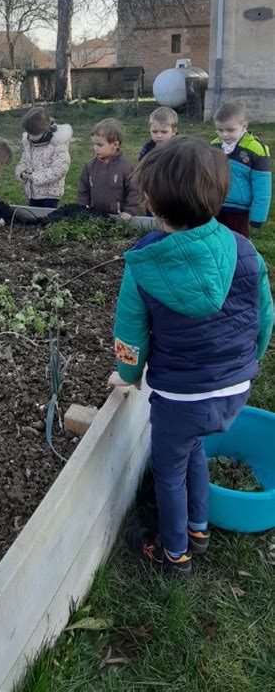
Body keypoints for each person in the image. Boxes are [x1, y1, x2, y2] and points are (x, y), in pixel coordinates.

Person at [110, 138, 273, 577]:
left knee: (168, 470)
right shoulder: (246, 250)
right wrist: (245, 363)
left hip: (180, 398)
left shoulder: (144, 259)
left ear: (154, 203)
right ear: (219, 193)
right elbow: (265, 319)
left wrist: (127, 374)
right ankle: (199, 528)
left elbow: (129, 332)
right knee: (194, 448)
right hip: (235, 389)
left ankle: (173, 551)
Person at [211, 101, 271, 237]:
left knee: (238, 243)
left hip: (240, 210)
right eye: (220, 130)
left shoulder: (256, 150)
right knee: (216, 240)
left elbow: (263, 187)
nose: (224, 134)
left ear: (244, 126)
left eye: (230, 130)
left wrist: (258, 216)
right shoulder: (213, 147)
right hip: (215, 206)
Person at [77, 118, 138, 218]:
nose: (95, 148)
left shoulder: (126, 167)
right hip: (95, 217)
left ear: (115, 145)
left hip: (120, 219)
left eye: (100, 145)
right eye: (94, 144)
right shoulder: (90, 166)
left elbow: (134, 190)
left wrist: (129, 210)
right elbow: (83, 190)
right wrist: (84, 208)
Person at [15, 107, 72, 208]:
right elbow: (24, 160)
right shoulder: (28, 142)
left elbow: (59, 169)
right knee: (33, 217)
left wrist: (35, 177)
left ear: (45, 130)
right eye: (29, 133)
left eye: (34, 134)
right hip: (33, 192)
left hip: (50, 194)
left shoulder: (58, 144)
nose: (31, 137)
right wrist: (21, 172)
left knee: (47, 219)